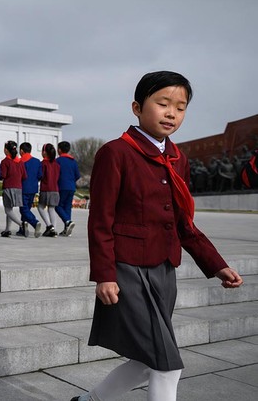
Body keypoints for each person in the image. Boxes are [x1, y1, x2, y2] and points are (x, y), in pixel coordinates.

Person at [71, 71, 243, 401]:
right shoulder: (116, 152)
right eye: (162, 103)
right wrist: (104, 275)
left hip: (165, 269)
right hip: (128, 270)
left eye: (180, 107)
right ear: (137, 107)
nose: (171, 113)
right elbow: (100, 221)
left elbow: (183, 223)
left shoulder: (178, 159)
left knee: (147, 359)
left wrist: (216, 264)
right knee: (167, 363)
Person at [0, 140, 26, 238]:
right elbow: (24, 176)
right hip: (18, 187)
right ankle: (7, 230)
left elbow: (3, 175)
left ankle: (21, 224)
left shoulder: (5, 161)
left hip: (8, 187)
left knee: (7, 210)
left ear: (6, 150)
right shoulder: (20, 162)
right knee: (10, 209)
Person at [17, 142, 43, 238]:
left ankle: (35, 223)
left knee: (23, 209)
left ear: (21, 151)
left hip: (23, 188)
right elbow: (40, 175)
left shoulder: (20, 162)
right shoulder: (37, 162)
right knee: (27, 209)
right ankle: (23, 229)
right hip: (33, 188)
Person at [55, 141, 81, 237]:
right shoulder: (73, 161)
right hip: (71, 186)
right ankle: (67, 228)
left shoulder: (58, 161)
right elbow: (77, 175)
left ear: (59, 150)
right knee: (67, 207)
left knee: (57, 206)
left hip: (62, 186)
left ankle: (67, 221)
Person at [37, 143, 60, 237]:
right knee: (52, 208)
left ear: (44, 152)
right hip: (55, 189)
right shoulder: (57, 164)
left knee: (40, 207)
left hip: (46, 189)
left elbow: (40, 176)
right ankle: (53, 228)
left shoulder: (43, 164)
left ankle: (49, 226)